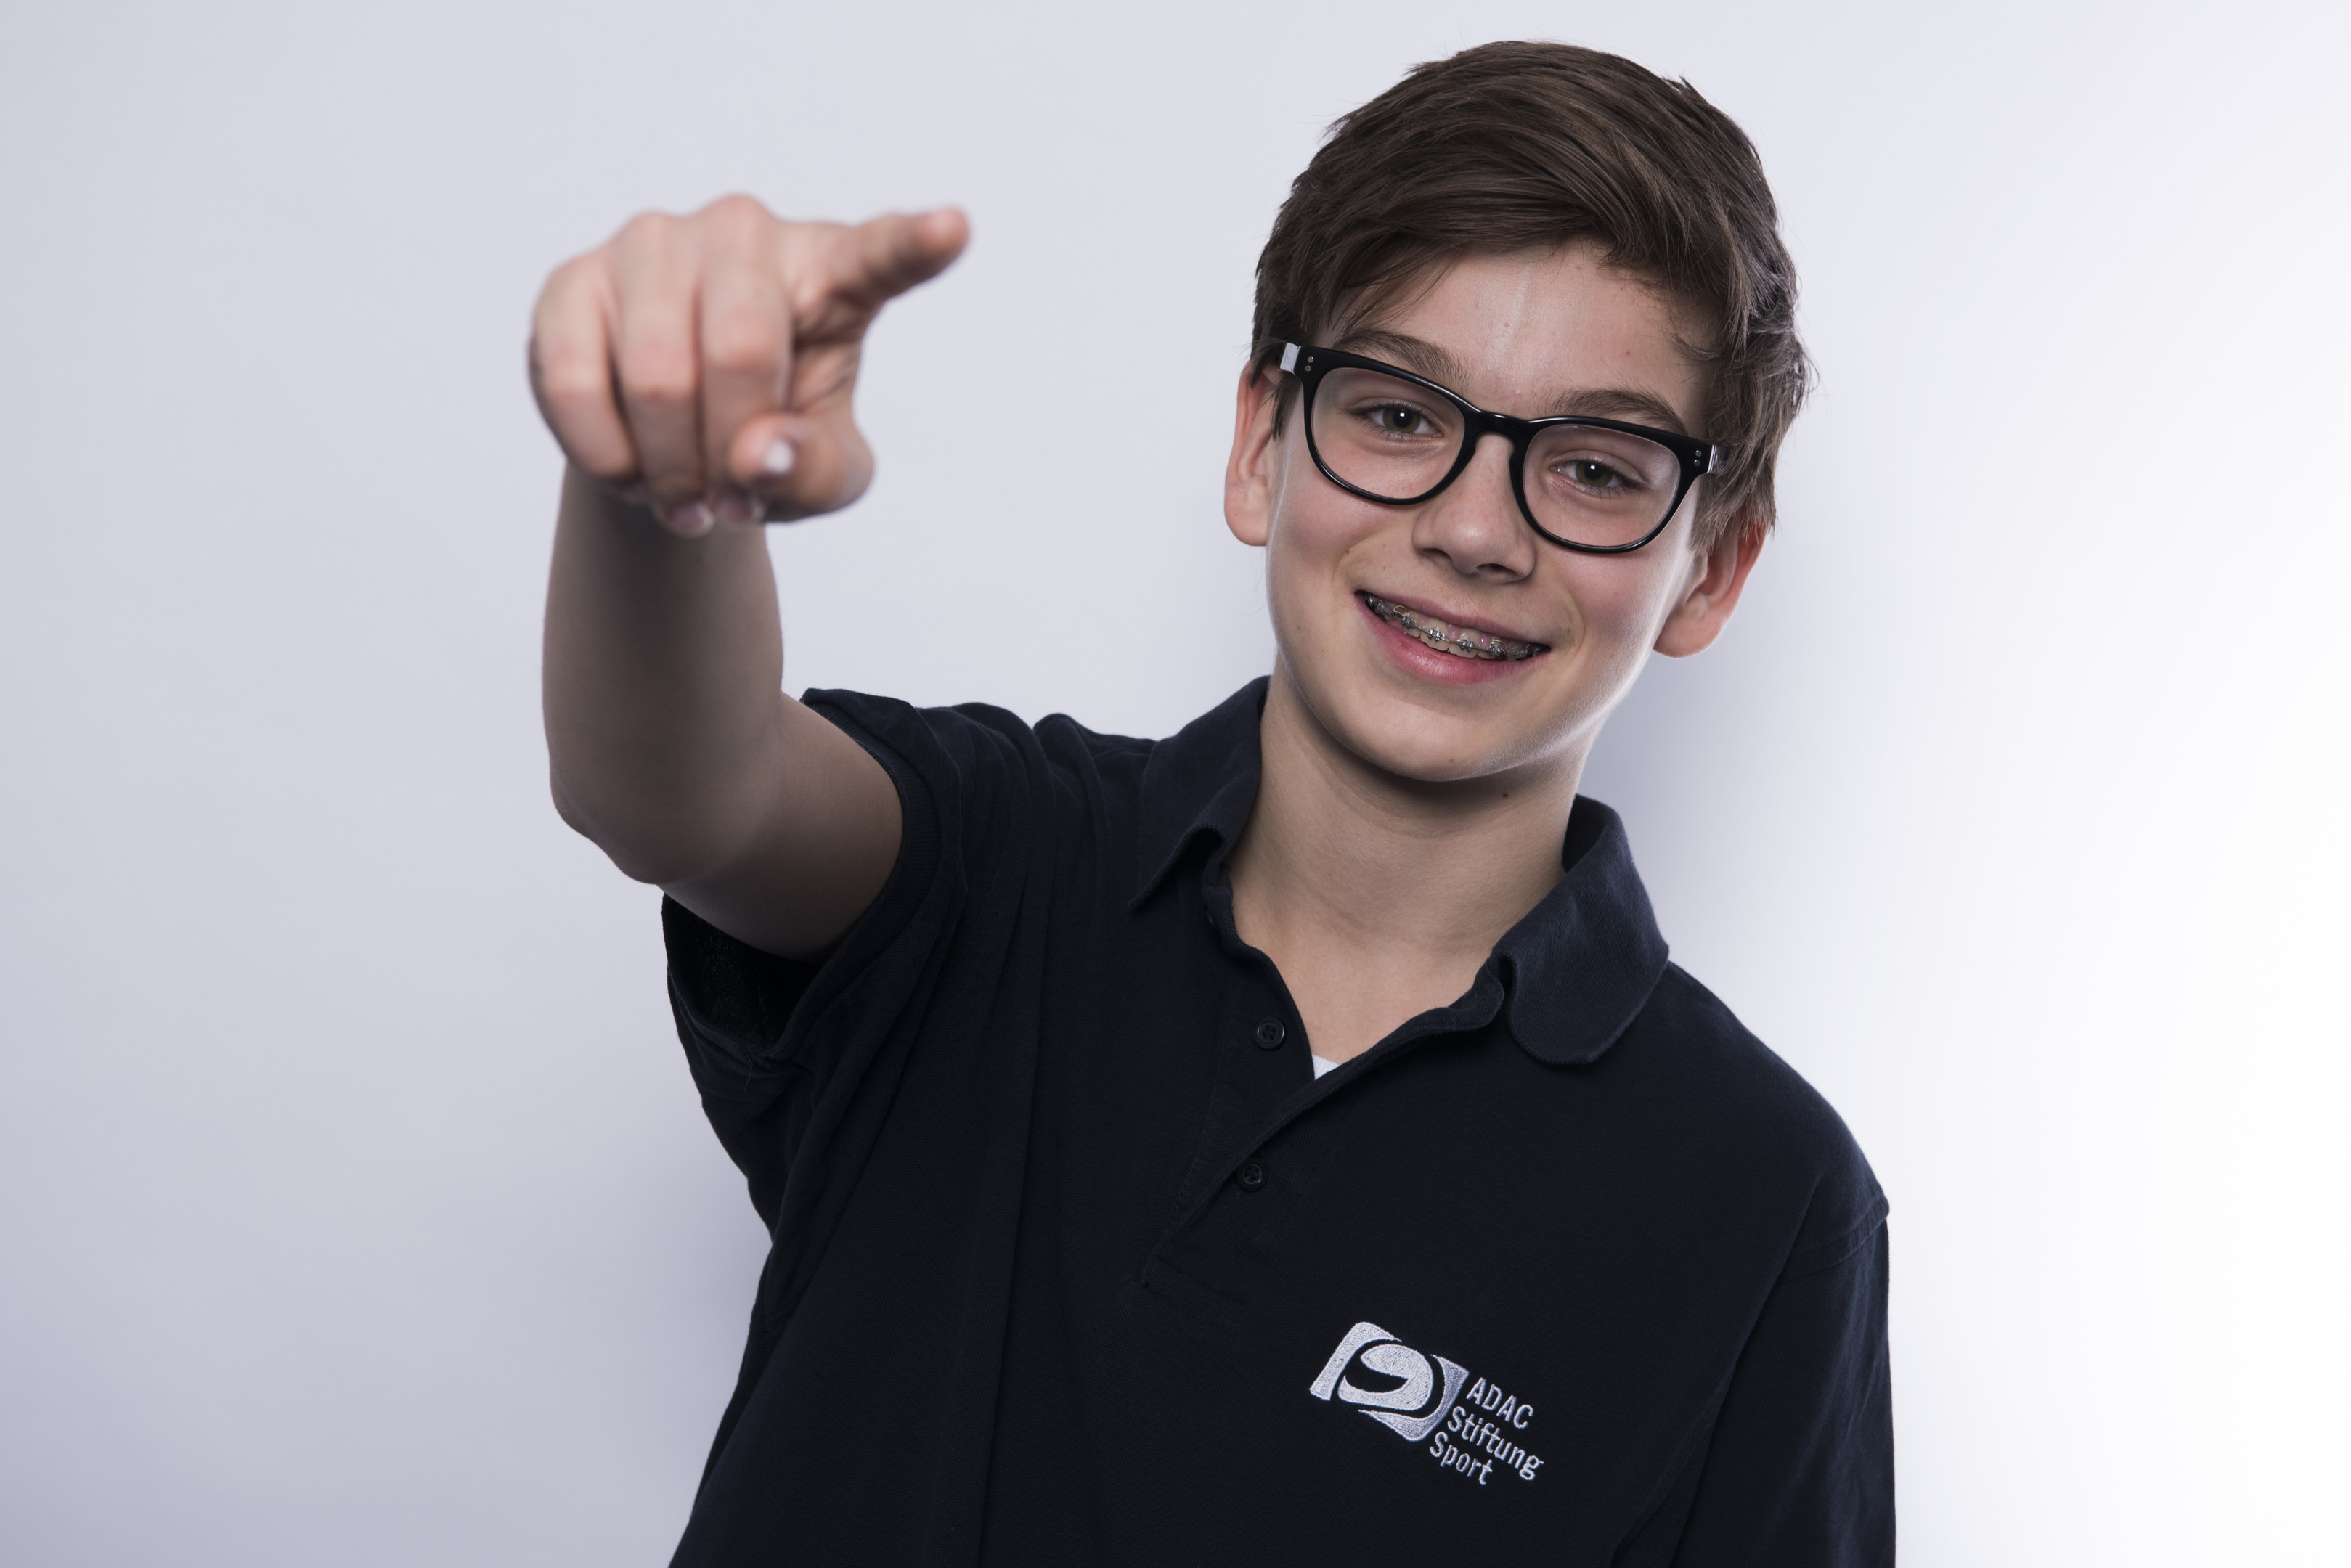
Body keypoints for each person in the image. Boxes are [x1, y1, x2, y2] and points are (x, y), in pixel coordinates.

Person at [533, 39, 1891, 1566]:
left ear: (1708, 568)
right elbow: (677, 791)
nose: (1471, 529)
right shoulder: (995, 862)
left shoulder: (1765, 1200)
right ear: (1258, 446)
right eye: (1396, 415)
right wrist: (670, 487)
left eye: (1593, 467)